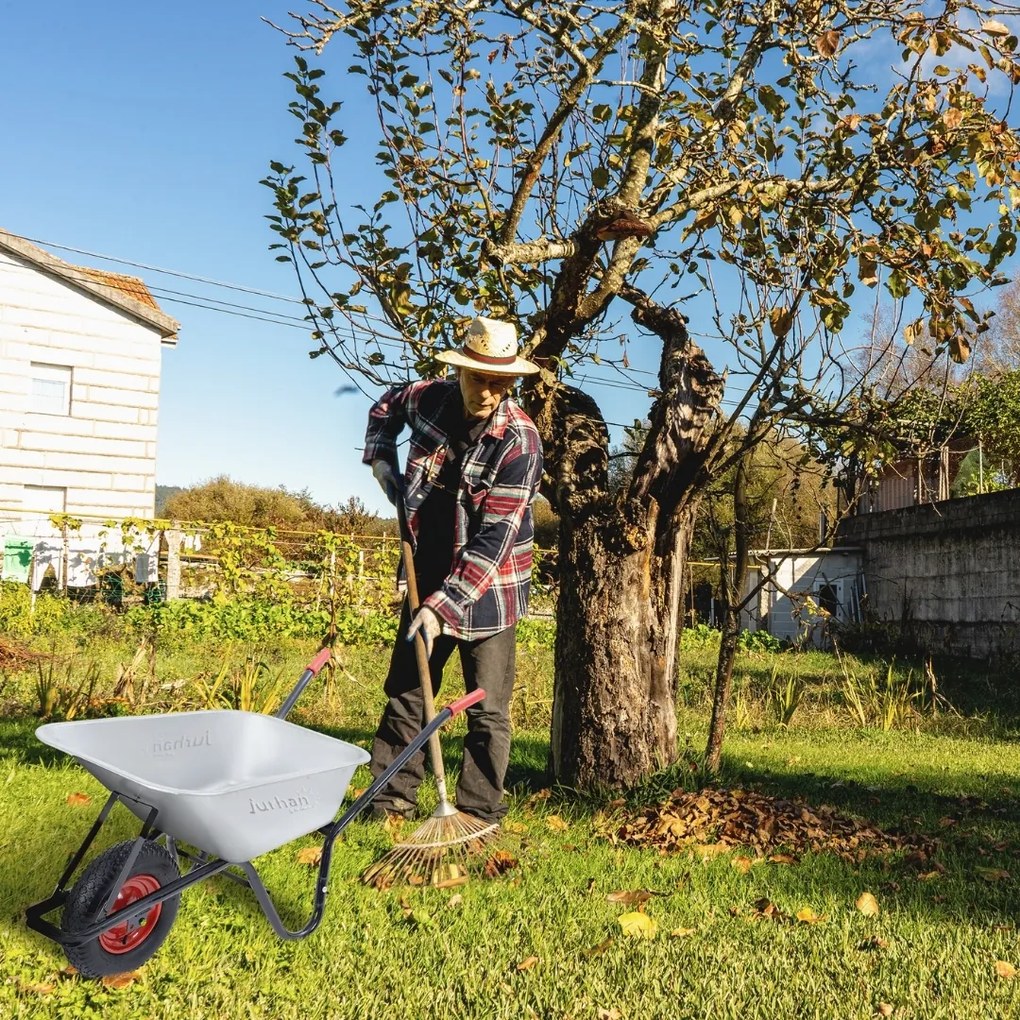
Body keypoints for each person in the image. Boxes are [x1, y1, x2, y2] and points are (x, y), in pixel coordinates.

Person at [364, 316, 543, 825]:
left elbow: (494, 539)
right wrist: (381, 460)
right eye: (478, 378)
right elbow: (384, 408)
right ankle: (390, 804)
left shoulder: (520, 442)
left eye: (499, 383)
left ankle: (478, 814)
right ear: (458, 371)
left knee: (486, 708)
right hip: (425, 566)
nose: (487, 393)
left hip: (489, 588)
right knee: (408, 694)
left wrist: (442, 608)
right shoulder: (429, 399)